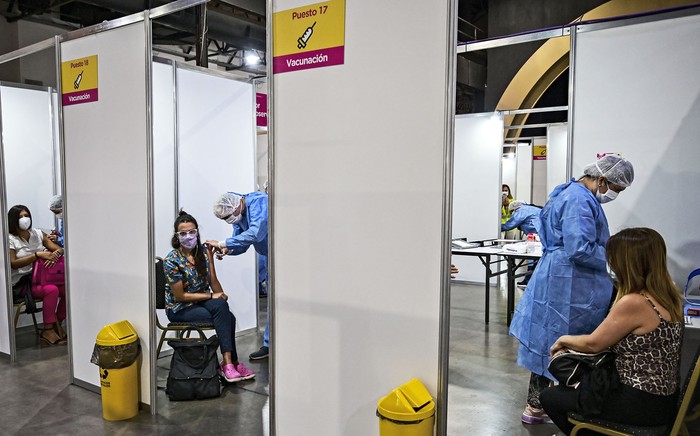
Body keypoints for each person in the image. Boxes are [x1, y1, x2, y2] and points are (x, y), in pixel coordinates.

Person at [509, 154, 635, 424]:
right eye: (616, 189)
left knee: (547, 342)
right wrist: (615, 262)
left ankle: (536, 406)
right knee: (566, 343)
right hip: (572, 281)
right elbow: (580, 248)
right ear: (602, 180)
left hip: (558, 276)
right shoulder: (579, 199)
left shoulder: (566, 191)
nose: (615, 194)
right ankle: (553, 407)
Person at [541, 228, 684, 434]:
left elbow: (593, 343)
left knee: (550, 397)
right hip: (664, 399)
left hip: (640, 401)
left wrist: (563, 340)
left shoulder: (634, 302)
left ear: (628, 263)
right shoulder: (670, 295)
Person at [164, 210, 255, 383]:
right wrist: (212, 296)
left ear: (197, 232)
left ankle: (229, 364)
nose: (188, 236)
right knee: (226, 317)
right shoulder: (172, 260)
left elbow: (215, 285)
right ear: (177, 236)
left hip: (201, 302)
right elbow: (181, 296)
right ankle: (229, 363)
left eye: (192, 232)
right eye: (183, 233)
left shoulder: (202, 253)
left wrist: (211, 261)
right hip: (179, 309)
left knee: (223, 310)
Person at [205, 191, 270, 360]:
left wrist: (221, 243)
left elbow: (256, 233)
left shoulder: (259, 202)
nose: (230, 220)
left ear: (236, 204)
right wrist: (227, 249)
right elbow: (241, 242)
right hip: (269, 255)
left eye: (230, 216)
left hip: (284, 255)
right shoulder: (239, 215)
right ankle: (270, 344)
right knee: (273, 303)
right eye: (225, 219)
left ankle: (278, 342)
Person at [8, 205, 66, 345]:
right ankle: (47, 330)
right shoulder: (10, 239)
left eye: (26, 215)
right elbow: (13, 263)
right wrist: (37, 255)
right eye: (21, 217)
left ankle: (57, 322)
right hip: (23, 283)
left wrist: (56, 253)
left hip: (43, 277)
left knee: (67, 288)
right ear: (13, 220)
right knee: (52, 290)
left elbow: (58, 248)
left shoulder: (38, 233)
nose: (25, 219)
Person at [501, 200, 542, 286]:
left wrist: (496, 227)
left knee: (532, 258)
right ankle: (532, 281)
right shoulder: (531, 208)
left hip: (538, 237)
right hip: (542, 236)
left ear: (514, 209)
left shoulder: (521, 211)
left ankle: (528, 281)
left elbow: (510, 225)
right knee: (537, 259)